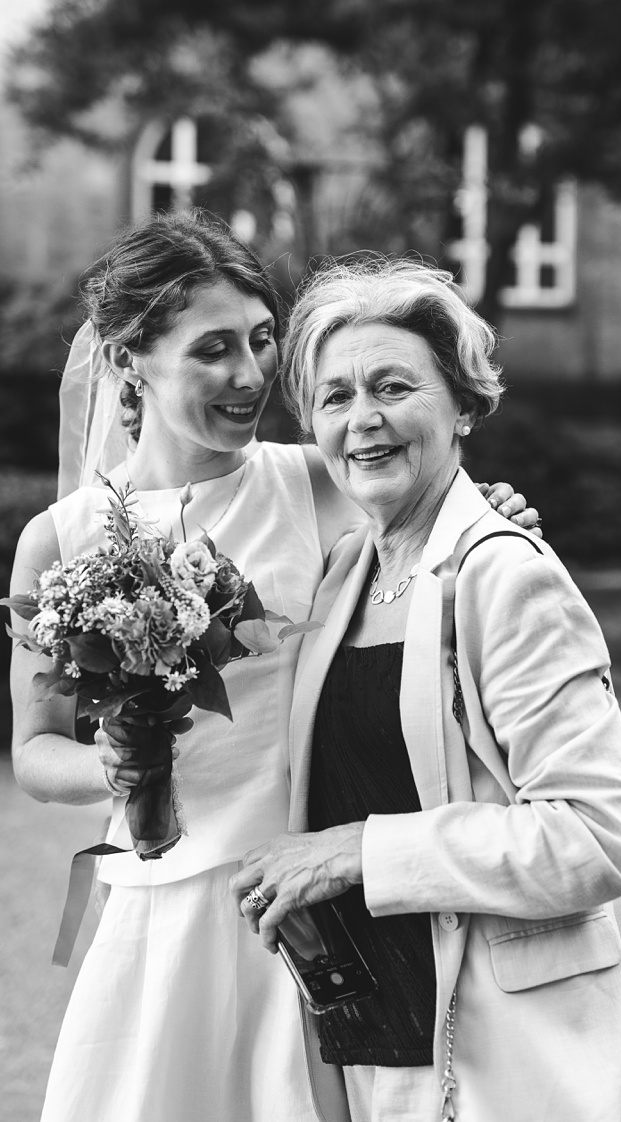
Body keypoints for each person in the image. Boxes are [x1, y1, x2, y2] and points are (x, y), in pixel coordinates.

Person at [9, 211, 535, 1122]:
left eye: (260, 342)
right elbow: (33, 752)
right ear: (130, 360)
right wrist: (113, 763)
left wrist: (483, 514)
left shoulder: (319, 480)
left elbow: (434, 531)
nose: (250, 376)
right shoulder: (60, 539)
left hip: (307, 898)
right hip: (159, 907)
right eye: (213, 349)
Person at [231, 259, 621, 1122]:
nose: (364, 419)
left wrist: (357, 851)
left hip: (499, 1052)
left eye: (394, 386)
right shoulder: (346, 570)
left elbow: (607, 836)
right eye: (335, 397)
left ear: (462, 404)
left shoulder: (504, 575)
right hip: (370, 1040)